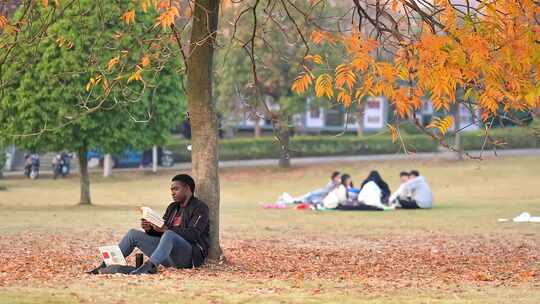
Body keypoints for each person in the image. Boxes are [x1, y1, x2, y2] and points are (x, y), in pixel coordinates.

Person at [87, 174, 210, 275]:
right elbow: (161, 232)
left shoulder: (200, 208)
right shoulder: (173, 208)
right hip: (167, 256)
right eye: (171, 190)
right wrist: (150, 229)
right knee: (133, 234)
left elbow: (194, 234)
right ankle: (106, 266)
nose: (172, 193)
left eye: (176, 189)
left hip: (189, 257)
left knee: (169, 234)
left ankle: (149, 267)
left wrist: (166, 229)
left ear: (188, 189)